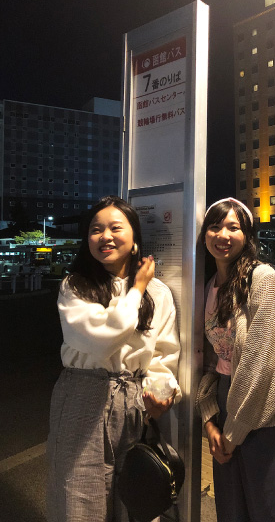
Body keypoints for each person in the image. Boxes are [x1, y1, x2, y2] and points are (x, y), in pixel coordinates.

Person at [47, 196, 180, 522]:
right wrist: (136, 290)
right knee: (79, 499)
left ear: (134, 238)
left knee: (136, 500)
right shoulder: (76, 286)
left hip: (133, 402)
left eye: (115, 227)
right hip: (82, 396)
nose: (105, 236)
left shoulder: (158, 293)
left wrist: (161, 394)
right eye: (95, 230)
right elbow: (100, 339)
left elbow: (163, 355)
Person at [194, 198, 275, 521]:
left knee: (273, 513)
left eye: (234, 227)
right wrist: (209, 420)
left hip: (268, 414)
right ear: (204, 235)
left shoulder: (262, 279)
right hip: (226, 409)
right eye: (215, 226)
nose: (223, 235)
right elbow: (210, 362)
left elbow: (266, 363)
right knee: (233, 513)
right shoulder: (209, 287)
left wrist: (232, 433)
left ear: (248, 237)